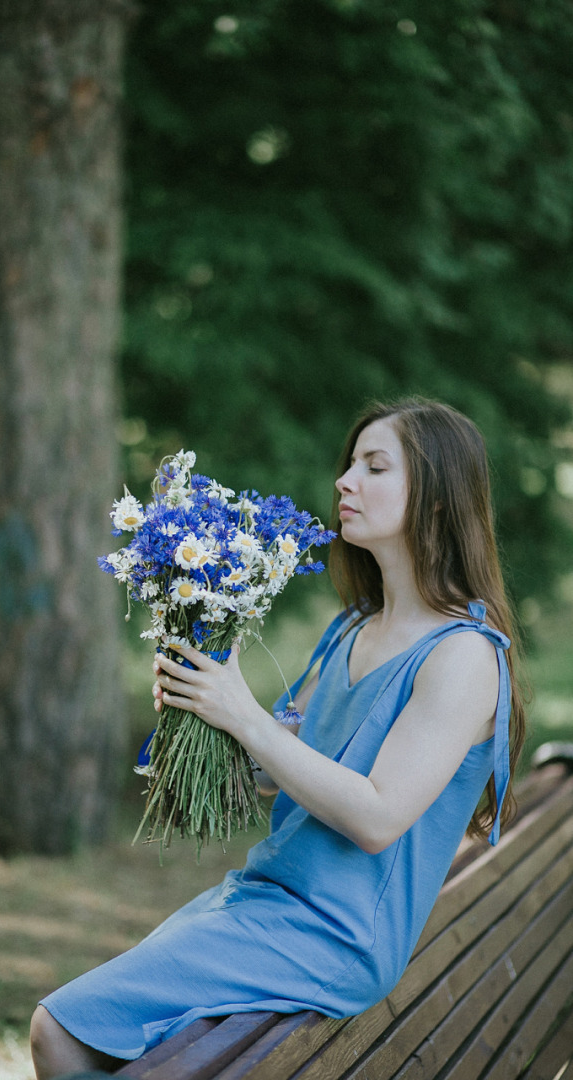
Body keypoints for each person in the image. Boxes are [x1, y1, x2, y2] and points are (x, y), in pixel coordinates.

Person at [30, 397, 526, 1079]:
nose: (344, 481)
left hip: (333, 935)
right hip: (267, 897)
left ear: (437, 501)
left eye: (373, 467)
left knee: (60, 1028)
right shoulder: (355, 629)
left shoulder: (462, 656)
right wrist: (201, 710)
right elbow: (278, 773)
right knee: (111, 1045)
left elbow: (378, 816)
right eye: (350, 464)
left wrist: (246, 717)